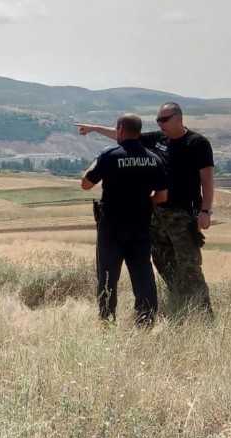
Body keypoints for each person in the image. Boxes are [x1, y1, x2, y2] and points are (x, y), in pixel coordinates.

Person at [76, 101, 215, 318]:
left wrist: (205, 211)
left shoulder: (197, 143)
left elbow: (207, 179)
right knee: (161, 261)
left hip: (183, 214)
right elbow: (126, 136)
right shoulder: (158, 140)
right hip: (156, 214)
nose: (160, 124)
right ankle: (180, 303)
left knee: (189, 264)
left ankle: (203, 314)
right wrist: (94, 129)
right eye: (158, 120)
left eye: (164, 120)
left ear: (179, 118)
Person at [79, 113, 168, 326]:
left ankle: (107, 322)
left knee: (107, 277)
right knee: (143, 275)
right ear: (138, 131)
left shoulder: (110, 156)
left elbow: (85, 184)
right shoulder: (153, 159)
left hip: (111, 227)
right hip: (140, 226)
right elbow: (162, 196)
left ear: (120, 129)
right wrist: (142, 203)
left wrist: (97, 161)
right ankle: (146, 321)